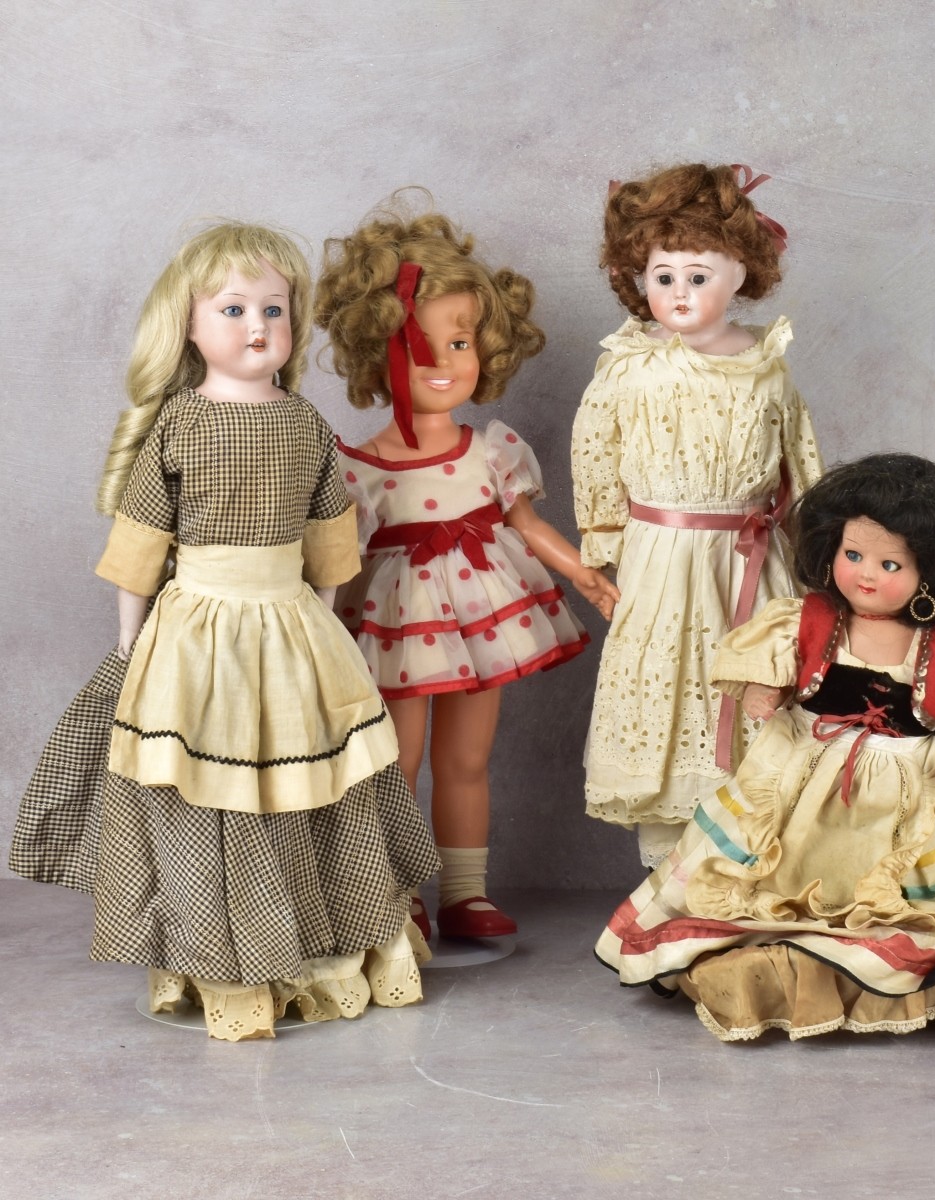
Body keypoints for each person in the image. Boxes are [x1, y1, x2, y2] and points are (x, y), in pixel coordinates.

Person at [10, 223, 439, 1040]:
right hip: (199, 631)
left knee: (309, 785)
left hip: (289, 622)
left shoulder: (304, 423)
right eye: (234, 309)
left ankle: (318, 937)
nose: (257, 327)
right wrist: (133, 636)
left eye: (274, 309)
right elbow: (142, 544)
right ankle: (221, 953)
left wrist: (323, 622)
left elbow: (331, 542)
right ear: (189, 325)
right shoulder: (180, 423)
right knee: (209, 786)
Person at [596, 454, 935, 1042]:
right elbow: (770, 667)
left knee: (905, 876)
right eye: (853, 555)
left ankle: (877, 950)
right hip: (805, 768)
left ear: (929, 574)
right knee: (773, 855)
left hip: (901, 784)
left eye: (890, 564)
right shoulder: (810, 620)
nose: (866, 575)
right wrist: (764, 691)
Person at [315, 199, 618, 940]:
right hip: (395, 628)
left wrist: (584, 574)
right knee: (397, 761)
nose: (444, 364)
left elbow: (527, 526)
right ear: (374, 352)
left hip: (483, 620)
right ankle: (394, 892)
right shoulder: (356, 469)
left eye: (459, 343)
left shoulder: (490, 452)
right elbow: (335, 564)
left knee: (467, 758)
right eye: (419, 347)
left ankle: (465, 892)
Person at [572, 162, 823, 867]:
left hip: (749, 558)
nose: (679, 292)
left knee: (753, 682)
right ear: (639, 278)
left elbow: (798, 458)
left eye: (699, 275)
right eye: (664, 276)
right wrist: (604, 542)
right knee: (668, 693)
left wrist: (813, 544)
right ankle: (667, 870)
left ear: (741, 274)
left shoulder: (765, 365)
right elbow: (595, 450)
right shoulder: (630, 365)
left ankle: (745, 861)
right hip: (661, 557)